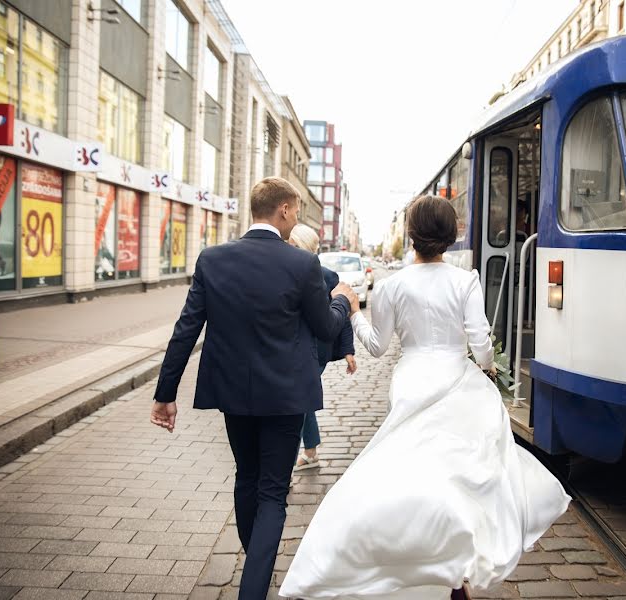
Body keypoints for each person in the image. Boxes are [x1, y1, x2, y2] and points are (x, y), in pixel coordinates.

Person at [280, 195, 571, 600]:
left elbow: (379, 347)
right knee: (463, 470)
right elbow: (481, 342)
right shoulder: (465, 279)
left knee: (413, 469)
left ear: (412, 237)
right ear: (451, 237)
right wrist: (486, 367)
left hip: (413, 380)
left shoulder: (392, 285)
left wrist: (354, 314)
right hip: (456, 378)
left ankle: (418, 556)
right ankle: (456, 565)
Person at [150, 177, 353, 600]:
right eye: (296, 210)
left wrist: (164, 393)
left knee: (247, 477)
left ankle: (255, 561)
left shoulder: (213, 259)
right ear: (282, 210)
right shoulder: (302, 265)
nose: (295, 217)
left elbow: (186, 329)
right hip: (284, 397)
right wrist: (343, 301)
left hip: (233, 393)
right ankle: (254, 585)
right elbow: (326, 327)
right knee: (272, 492)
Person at [288, 224, 357, 470]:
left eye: (292, 243)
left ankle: (296, 456)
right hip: (296, 348)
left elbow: (343, 310)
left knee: (297, 401)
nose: (287, 246)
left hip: (317, 351)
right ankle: (310, 451)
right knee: (301, 400)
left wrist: (348, 349)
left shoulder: (327, 276)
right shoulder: (288, 268)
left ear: (302, 245)